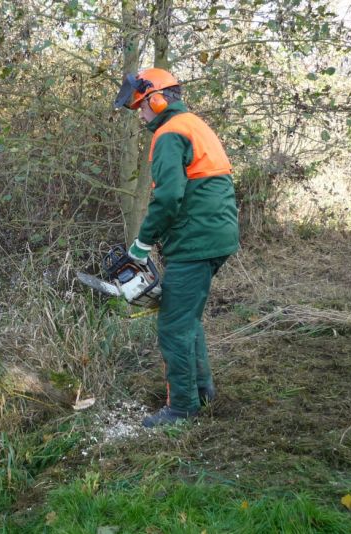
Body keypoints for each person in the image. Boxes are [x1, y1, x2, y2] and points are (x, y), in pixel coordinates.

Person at [113, 68, 239, 428]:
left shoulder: (169, 134)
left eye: (141, 107)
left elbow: (168, 197)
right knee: (186, 319)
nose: (141, 115)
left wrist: (142, 244)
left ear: (157, 100)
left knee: (172, 325)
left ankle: (182, 407)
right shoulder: (192, 123)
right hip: (213, 236)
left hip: (195, 241)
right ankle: (202, 391)